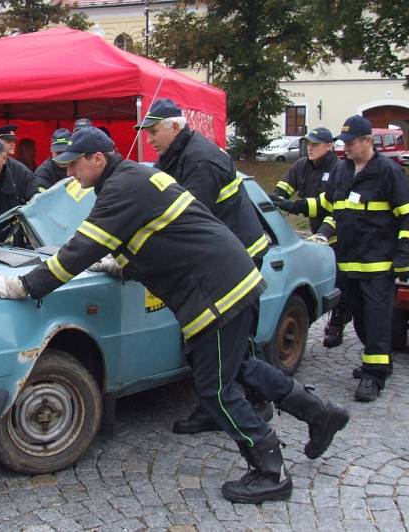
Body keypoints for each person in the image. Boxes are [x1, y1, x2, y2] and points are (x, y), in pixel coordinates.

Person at [0, 128, 349, 504]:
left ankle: (270, 470)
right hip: (223, 284)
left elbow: (78, 250)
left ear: (97, 159)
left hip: (216, 293)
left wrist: (24, 286)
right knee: (242, 367)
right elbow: (160, 239)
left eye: (74, 164)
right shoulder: (130, 178)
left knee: (215, 390)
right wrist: (122, 265)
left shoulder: (121, 188)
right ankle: (320, 414)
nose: (70, 173)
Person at [136, 98, 271, 436]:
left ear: (175, 127)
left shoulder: (201, 160)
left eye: (154, 132)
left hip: (239, 256)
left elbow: (183, 219)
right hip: (214, 257)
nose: (149, 140)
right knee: (208, 338)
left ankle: (256, 400)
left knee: (232, 339)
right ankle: (216, 405)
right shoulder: (174, 156)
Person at [272, 115, 409, 402]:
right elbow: (328, 205)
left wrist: (404, 255)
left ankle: (374, 376)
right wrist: (293, 204)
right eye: (344, 143)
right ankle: (381, 360)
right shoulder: (343, 171)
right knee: (362, 322)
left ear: (368, 141)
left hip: (379, 266)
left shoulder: (387, 172)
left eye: (351, 143)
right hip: (349, 264)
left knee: (377, 321)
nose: (346, 148)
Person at [271, 127, 349, 348]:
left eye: (315, 144)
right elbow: (281, 193)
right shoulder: (301, 166)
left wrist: (324, 234)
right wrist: (271, 203)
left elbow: (337, 211)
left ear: (329, 146)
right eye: (308, 143)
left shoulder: (339, 169)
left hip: (338, 235)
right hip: (317, 235)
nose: (310, 148)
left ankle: (337, 322)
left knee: (341, 282)